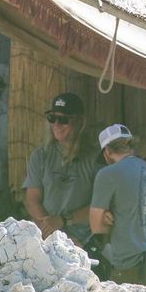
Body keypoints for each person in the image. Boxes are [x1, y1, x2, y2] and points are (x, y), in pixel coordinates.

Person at [88, 124, 146, 292]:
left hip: (130, 267)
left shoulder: (108, 174)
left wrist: (108, 216)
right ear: (131, 147)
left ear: (107, 152)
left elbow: (97, 226)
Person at [23, 92, 99, 245]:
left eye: (63, 119)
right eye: (52, 118)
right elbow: (32, 199)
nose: (56, 124)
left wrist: (64, 220)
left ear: (80, 122)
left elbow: (101, 206)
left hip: (84, 241)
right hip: (48, 239)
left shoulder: (96, 158)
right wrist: (56, 232)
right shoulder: (41, 155)